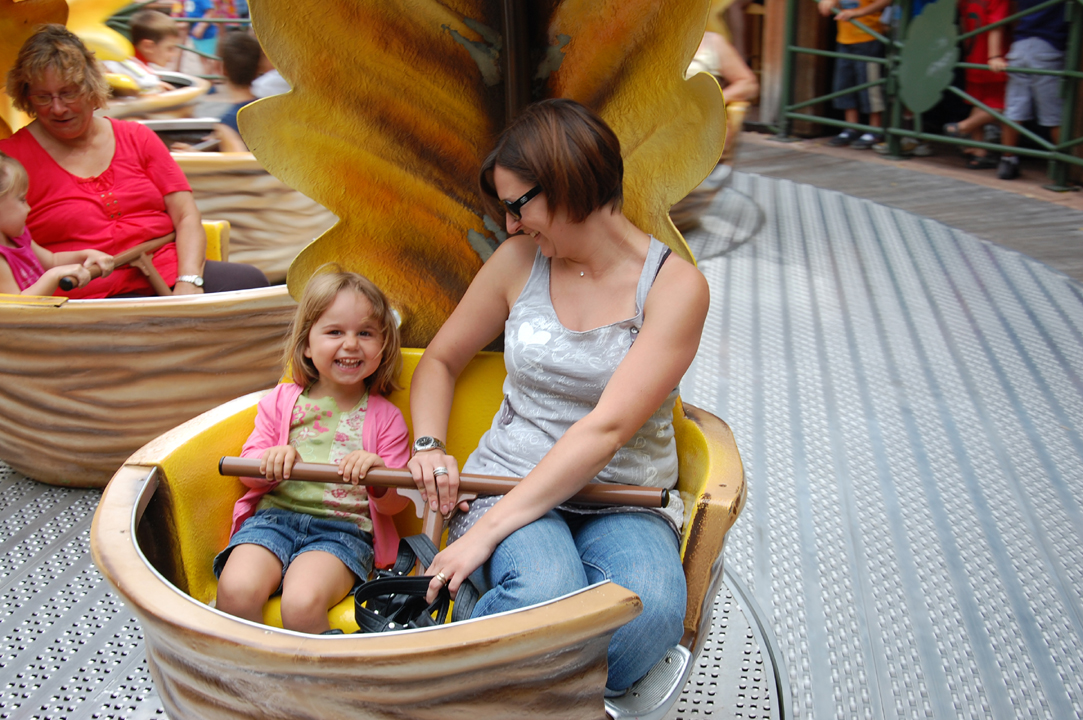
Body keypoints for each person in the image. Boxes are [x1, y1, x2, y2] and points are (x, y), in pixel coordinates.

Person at [406, 99, 709, 694]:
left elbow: (606, 429)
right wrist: (428, 445)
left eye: (517, 206)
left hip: (622, 497)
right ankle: (513, 677)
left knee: (648, 618)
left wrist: (482, 538)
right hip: (507, 480)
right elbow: (439, 361)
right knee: (545, 594)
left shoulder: (675, 287)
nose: (511, 225)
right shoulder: (517, 261)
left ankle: (474, 661)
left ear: (568, 183)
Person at [0, 25, 268, 298]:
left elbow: (186, 216)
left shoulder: (137, 137)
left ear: (91, 87)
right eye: (43, 97)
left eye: (68, 93)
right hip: (85, 295)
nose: (57, 108)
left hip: (169, 272)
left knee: (250, 282)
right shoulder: (9, 159)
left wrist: (188, 281)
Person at [214, 269, 411, 633]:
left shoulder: (387, 418)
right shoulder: (281, 401)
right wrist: (270, 460)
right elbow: (247, 470)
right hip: (273, 521)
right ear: (306, 344)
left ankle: (315, 670)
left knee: (301, 603)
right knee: (236, 590)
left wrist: (378, 475)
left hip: (341, 532)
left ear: (383, 346)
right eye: (335, 332)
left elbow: (397, 503)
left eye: (365, 333)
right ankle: (255, 668)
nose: (351, 344)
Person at [0, 152, 114, 295]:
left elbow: (52, 261)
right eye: (22, 199)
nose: (29, 208)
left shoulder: (18, 236)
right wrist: (53, 276)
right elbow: (15, 305)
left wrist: (85, 255)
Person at [997, 0, 1068, 180]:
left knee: (1014, 110)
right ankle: (1062, 168)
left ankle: (1007, 161)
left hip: (1019, 45)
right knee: (1053, 113)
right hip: (1049, 45)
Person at [944, 0, 1009, 169]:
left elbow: (963, 24)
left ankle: (979, 152)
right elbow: (996, 25)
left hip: (973, 57)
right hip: (992, 60)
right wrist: (994, 56)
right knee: (1002, 105)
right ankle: (961, 127)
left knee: (978, 103)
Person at [818, 0, 892, 149]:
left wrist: (859, 12)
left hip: (869, 37)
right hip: (845, 38)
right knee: (844, 83)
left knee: (870, 85)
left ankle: (875, 129)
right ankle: (851, 127)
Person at [103, 10, 181, 94]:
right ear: (148, 46)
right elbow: (146, 82)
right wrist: (157, 85)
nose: (174, 54)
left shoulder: (127, 59)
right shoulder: (128, 65)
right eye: (169, 48)